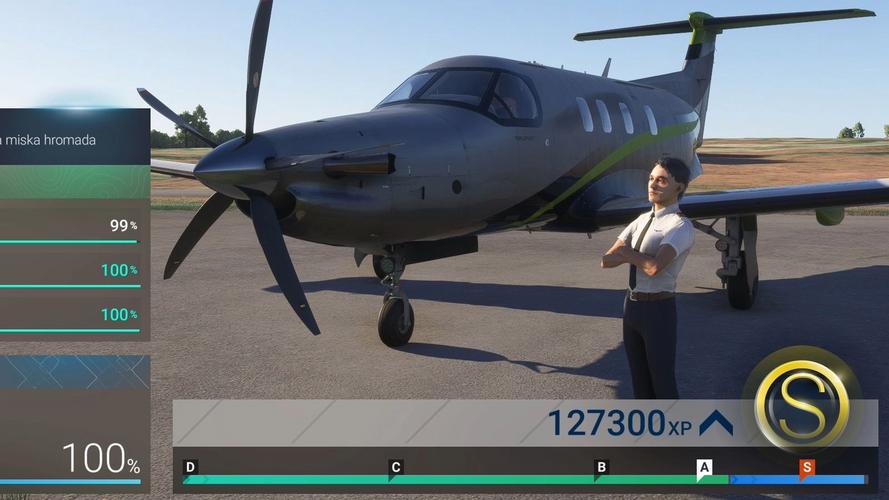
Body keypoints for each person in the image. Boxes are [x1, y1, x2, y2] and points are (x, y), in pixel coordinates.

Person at [601, 157, 695, 399]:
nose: (653, 185)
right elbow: (606, 260)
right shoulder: (641, 220)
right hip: (631, 308)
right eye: (651, 178)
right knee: (640, 383)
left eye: (662, 180)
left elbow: (654, 267)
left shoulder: (680, 226)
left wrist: (626, 253)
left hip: (658, 311)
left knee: (663, 383)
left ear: (679, 187)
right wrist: (632, 256)